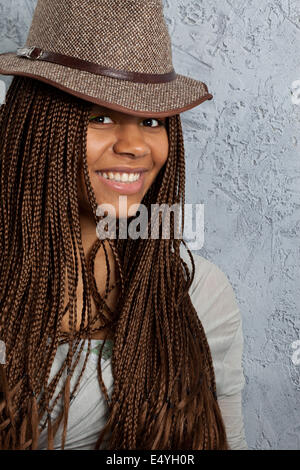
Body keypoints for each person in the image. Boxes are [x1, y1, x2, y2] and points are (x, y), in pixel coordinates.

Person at [0, 0, 248, 450]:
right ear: (38, 123)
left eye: (151, 121)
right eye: (99, 116)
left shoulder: (197, 293)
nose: (135, 146)